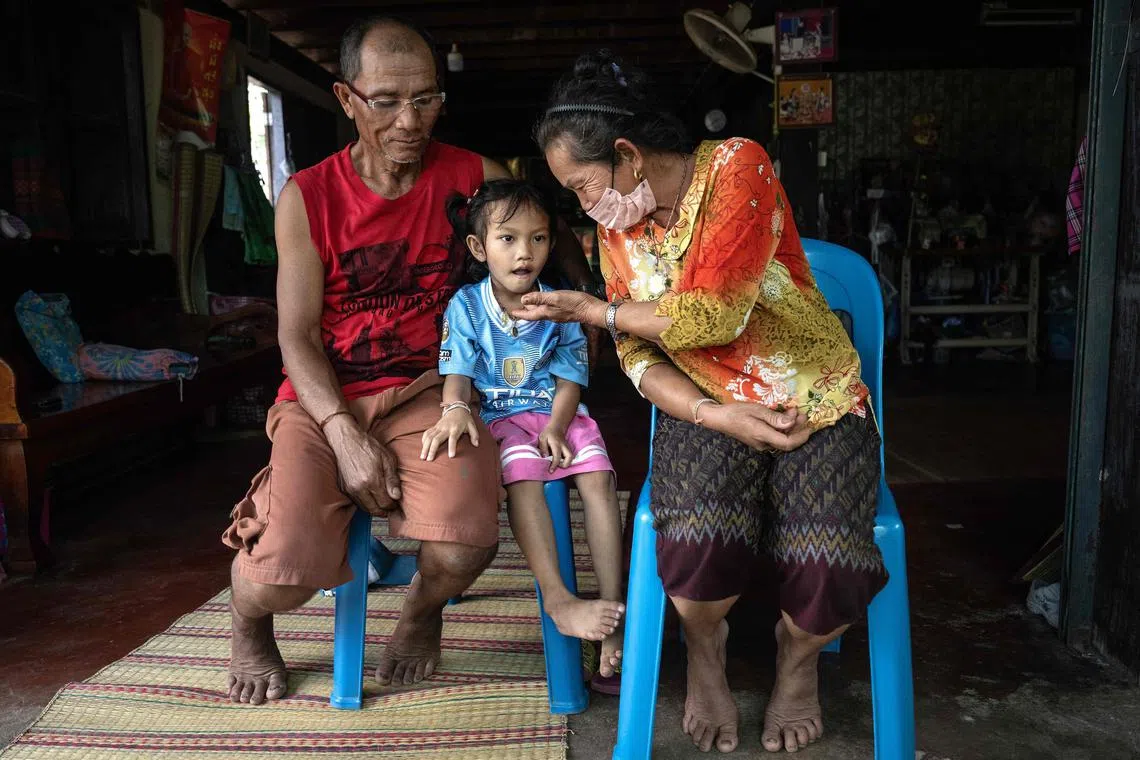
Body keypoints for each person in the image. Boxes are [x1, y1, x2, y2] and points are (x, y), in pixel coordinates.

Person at [515, 52, 889, 754]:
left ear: (627, 157)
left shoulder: (735, 167)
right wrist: (714, 414)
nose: (582, 205)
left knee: (831, 560)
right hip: (707, 406)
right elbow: (637, 356)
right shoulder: (614, 236)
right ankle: (707, 655)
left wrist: (597, 314)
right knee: (692, 545)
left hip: (813, 398)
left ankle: (798, 660)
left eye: (583, 186)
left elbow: (713, 314)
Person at [220, 15, 597, 706]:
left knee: (464, 541)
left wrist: (589, 307)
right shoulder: (308, 197)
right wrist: (343, 433)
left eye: (425, 98)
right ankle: (248, 624)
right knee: (283, 576)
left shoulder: (473, 175)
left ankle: (420, 613)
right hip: (319, 398)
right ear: (346, 99)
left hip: (433, 388)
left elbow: (548, 237)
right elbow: (297, 336)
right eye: (386, 101)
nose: (409, 120)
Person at [421, 179, 627, 687]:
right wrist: (453, 409)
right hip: (502, 419)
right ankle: (558, 596)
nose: (524, 253)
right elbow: (459, 372)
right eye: (508, 239)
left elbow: (570, 377)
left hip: (560, 413)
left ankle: (614, 611)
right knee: (525, 475)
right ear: (478, 247)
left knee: (599, 480)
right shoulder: (466, 307)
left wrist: (558, 426)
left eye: (538, 239)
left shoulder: (561, 304)